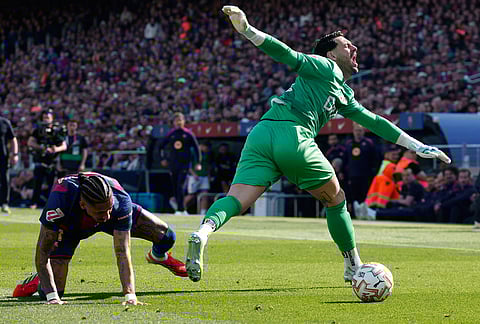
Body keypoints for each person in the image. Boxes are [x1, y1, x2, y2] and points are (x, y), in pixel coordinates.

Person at [185, 5, 451, 284]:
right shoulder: (325, 66)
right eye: (347, 45)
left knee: (237, 199)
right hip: (294, 135)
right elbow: (288, 55)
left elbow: (374, 121)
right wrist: (248, 31)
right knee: (337, 201)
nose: (354, 48)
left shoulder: (343, 92)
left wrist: (415, 144)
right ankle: (352, 265)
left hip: (262, 133)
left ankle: (203, 232)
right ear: (331, 53)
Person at [12, 172, 187, 305]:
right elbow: (42, 251)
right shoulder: (61, 199)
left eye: (109, 208)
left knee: (167, 236)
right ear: (83, 204)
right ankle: (38, 279)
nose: (107, 214)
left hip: (107, 211)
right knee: (53, 289)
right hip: (72, 226)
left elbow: (122, 252)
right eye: (101, 211)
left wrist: (130, 294)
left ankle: (157, 256)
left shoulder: (120, 202)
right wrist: (52, 297)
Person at [157, 112, 201, 215]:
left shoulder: (188, 134)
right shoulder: (171, 134)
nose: (178, 122)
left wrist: (198, 162)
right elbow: (160, 147)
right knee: (175, 186)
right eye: (176, 120)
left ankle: (182, 209)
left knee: (181, 185)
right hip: (173, 164)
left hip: (184, 164)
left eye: (180, 120)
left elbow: (196, 148)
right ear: (173, 122)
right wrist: (163, 159)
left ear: (184, 121)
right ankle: (179, 209)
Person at [27, 109, 67, 209]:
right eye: (44, 117)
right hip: (40, 160)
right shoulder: (38, 130)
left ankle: (50, 204)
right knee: (37, 184)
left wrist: (54, 149)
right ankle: (34, 203)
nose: (46, 120)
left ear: (52, 118)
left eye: (48, 117)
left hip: (52, 162)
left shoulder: (56, 131)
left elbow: (64, 145)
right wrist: (41, 147)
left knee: (52, 185)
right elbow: (30, 142)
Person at [0, 116, 19, 213]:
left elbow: (13, 139)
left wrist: (15, 154)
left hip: (2, 156)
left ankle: (4, 203)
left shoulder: (4, 122)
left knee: (4, 179)